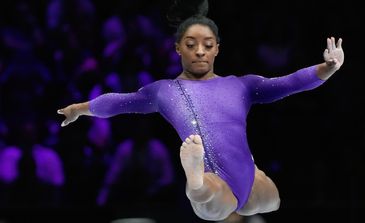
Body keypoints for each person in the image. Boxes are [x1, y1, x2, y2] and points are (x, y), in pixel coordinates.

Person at [57, 0, 344, 221]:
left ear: (217, 49)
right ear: (178, 49)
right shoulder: (165, 91)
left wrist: (327, 67)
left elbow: (289, 83)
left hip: (249, 182)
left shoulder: (241, 86)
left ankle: (248, 171)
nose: (200, 51)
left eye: (207, 45)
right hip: (213, 181)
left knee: (274, 200)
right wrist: (80, 109)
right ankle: (194, 178)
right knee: (209, 199)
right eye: (191, 45)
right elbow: (119, 102)